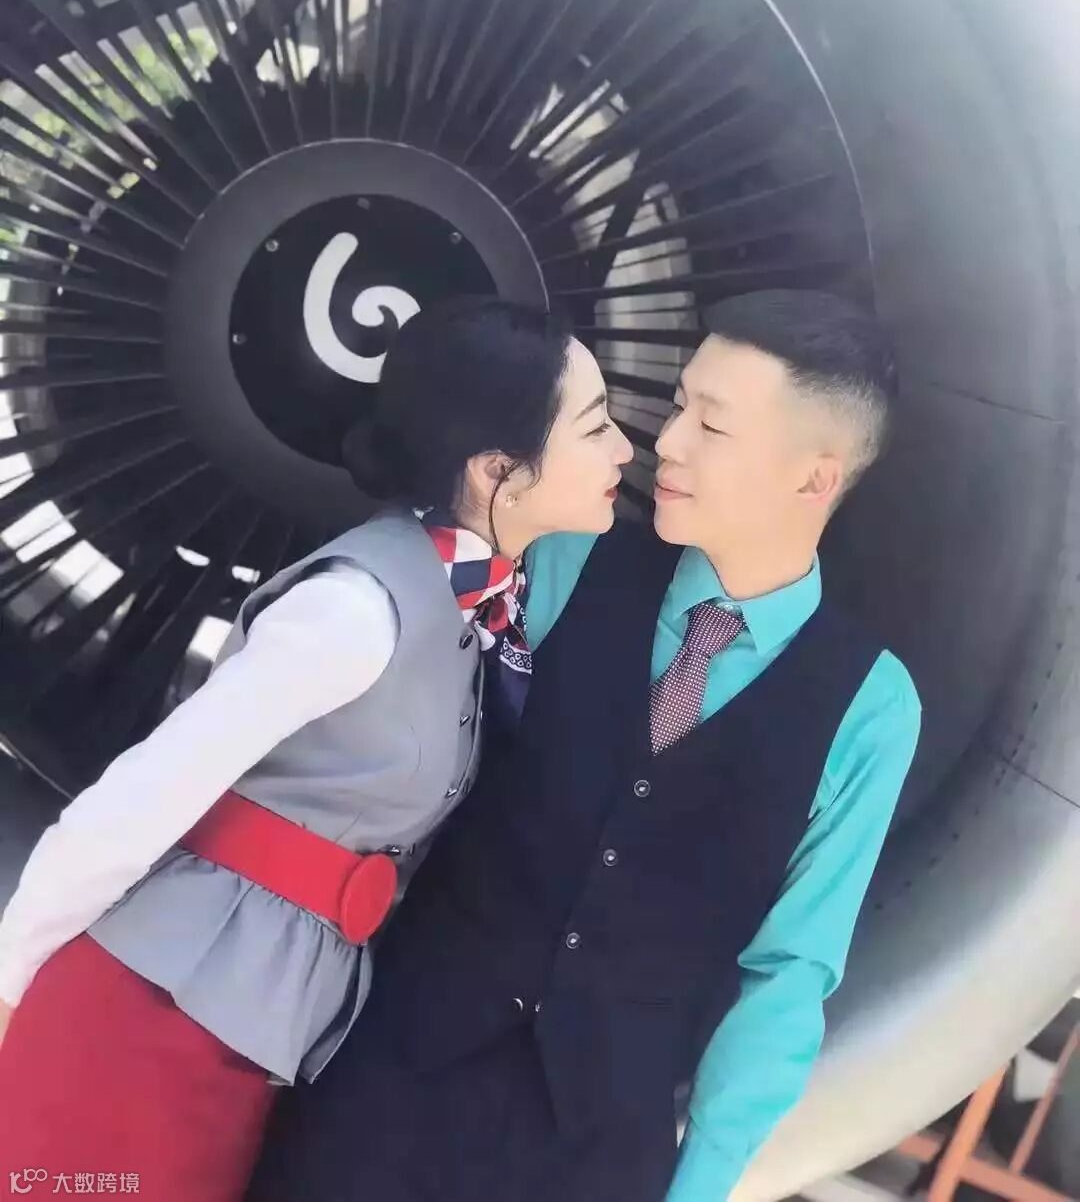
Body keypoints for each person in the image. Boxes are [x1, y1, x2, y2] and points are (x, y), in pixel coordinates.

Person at [249, 289, 922, 1202]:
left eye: (711, 425)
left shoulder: (872, 708)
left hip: (594, 1162)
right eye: (679, 405)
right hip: (381, 1095)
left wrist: (696, 1191)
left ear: (814, 479)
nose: (666, 442)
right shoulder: (563, 559)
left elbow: (787, 978)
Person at [0, 297, 633, 1202]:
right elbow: (143, 796)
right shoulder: (354, 609)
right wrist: (12, 981)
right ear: (499, 469)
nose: (623, 450)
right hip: (144, 1021)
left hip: (262, 1041)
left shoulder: (481, 611)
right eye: (596, 425)